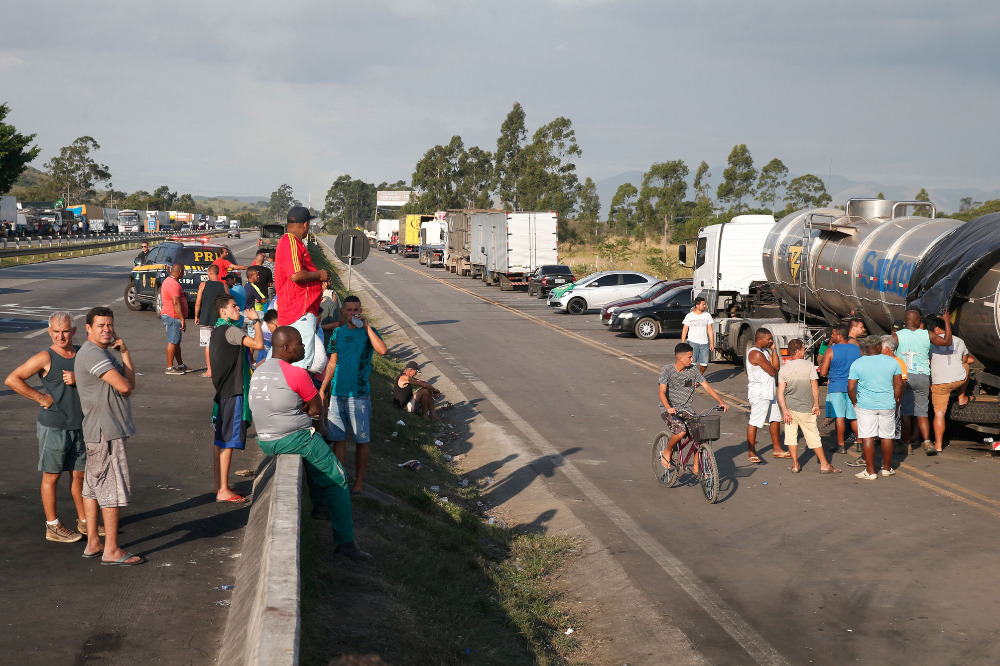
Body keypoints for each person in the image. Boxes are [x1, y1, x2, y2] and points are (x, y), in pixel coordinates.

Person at [248, 326, 371, 561]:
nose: (303, 348)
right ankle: (345, 544)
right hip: (293, 437)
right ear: (286, 348)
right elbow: (315, 409)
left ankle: (322, 507)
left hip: (265, 440)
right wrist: (310, 413)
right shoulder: (297, 374)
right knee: (338, 477)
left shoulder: (260, 369)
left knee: (317, 462)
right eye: (299, 344)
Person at [5, 312, 93, 543]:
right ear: (49, 332)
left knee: (80, 476)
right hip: (54, 427)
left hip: (81, 426)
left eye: (65, 331)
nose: (60, 336)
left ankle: (85, 521)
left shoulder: (84, 353)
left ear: (73, 331)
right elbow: (13, 379)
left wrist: (79, 378)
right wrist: (41, 398)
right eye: (55, 331)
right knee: (51, 476)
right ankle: (52, 526)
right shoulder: (45, 357)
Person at [75, 307, 144, 565]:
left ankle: (94, 542)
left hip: (98, 430)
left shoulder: (102, 352)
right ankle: (111, 549)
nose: (107, 330)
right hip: (106, 431)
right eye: (101, 325)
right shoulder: (93, 353)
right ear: (88, 328)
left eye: (109, 325)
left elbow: (130, 382)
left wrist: (124, 352)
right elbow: (125, 387)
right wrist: (124, 380)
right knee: (111, 490)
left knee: (93, 489)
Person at [320, 295, 388, 495]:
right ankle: (340, 481)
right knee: (338, 440)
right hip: (338, 394)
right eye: (349, 310)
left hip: (358, 396)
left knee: (361, 441)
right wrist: (324, 389)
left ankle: (358, 483)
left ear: (361, 310)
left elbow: (383, 350)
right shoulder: (337, 333)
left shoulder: (369, 332)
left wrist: (366, 327)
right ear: (343, 313)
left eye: (356, 309)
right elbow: (332, 362)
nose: (353, 313)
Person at [209, 294, 265, 503]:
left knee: (220, 439)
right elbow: (258, 344)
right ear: (223, 311)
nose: (238, 309)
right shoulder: (231, 331)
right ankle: (223, 490)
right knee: (228, 441)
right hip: (233, 391)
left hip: (222, 392)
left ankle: (219, 484)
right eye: (234, 306)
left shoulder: (217, 330)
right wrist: (256, 321)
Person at [657, 342, 729, 472]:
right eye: (690, 357)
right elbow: (662, 392)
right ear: (681, 358)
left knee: (701, 434)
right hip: (669, 409)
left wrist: (721, 401)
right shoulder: (667, 370)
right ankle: (667, 451)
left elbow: (706, 386)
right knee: (681, 431)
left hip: (687, 410)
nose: (692, 359)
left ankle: (696, 465)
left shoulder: (693, 370)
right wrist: (668, 407)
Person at [275, 206, 328, 370]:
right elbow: (296, 275)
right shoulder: (290, 241)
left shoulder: (291, 242)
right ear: (305, 225)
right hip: (299, 312)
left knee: (292, 363)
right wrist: (319, 275)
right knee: (301, 363)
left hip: (297, 311)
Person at [777, 339, 840, 474]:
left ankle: (795, 464)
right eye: (803, 348)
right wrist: (816, 404)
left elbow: (780, 392)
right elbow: (815, 387)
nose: (805, 351)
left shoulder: (784, 369)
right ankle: (824, 464)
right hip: (806, 407)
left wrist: (785, 411)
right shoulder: (808, 365)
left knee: (791, 436)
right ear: (798, 351)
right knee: (813, 436)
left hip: (790, 407)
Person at [894, 308, 952, 455]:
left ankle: (906, 444)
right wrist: (946, 321)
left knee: (906, 413)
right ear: (917, 321)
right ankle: (927, 442)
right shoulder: (927, 334)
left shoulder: (896, 336)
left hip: (905, 377)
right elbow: (947, 341)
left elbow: (886, 351)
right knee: (922, 412)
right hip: (923, 377)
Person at [848, 335, 904, 480]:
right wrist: (896, 402)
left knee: (867, 436)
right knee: (887, 436)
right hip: (887, 404)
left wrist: (854, 401)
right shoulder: (892, 362)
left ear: (866, 348)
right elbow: (899, 385)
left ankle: (870, 471)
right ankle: (886, 468)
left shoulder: (857, 363)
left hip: (865, 405)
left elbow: (851, 387)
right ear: (879, 346)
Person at [929, 317, 975, 454]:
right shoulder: (959, 341)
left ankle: (938, 445)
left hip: (939, 383)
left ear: (937, 329)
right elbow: (966, 360)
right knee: (965, 365)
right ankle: (962, 397)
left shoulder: (930, 342)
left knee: (939, 414)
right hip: (957, 380)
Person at [745, 328, 789, 463]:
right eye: (769, 339)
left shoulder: (764, 351)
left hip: (769, 391)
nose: (771, 341)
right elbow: (772, 371)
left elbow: (777, 366)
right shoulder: (755, 354)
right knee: (755, 422)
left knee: (775, 419)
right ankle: (751, 452)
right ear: (760, 339)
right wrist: (774, 367)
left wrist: (774, 350)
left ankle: (777, 449)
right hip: (759, 393)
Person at [819, 325, 861, 455]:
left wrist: (832, 373)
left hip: (836, 387)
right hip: (853, 387)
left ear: (839, 335)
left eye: (833, 334)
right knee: (854, 417)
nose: (831, 336)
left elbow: (823, 372)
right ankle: (860, 443)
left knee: (839, 417)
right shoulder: (856, 349)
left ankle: (841, 446)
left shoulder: (831, 351)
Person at [194, 264, 229, 378]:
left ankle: (209, 370)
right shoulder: (224, 286)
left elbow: (198, 302)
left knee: (208, 344)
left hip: (206, 318)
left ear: (210, 272)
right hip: (220, 320)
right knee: (220, 344)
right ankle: (220, 370)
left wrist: (196, 316)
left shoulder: (203, 285)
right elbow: (228, 303)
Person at [161, 263, 189, 374]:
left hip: (172, 315)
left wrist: (183, 295)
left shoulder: (170, 281)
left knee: (176, 341)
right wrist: (182, 319)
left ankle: (181, 365)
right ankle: (169, 367)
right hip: (172, 315)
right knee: (172, 341)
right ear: (180, 272)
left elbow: (176, 297)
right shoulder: (173, 284)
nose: (184, 274)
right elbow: (175, 303)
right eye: (183, 272)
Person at [680, 296, 714, 375]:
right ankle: (693, 378)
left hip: (704, 343)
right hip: (692, 342)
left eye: (705, 304)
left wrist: (712, 343)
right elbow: (685, 329)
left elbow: (710, 330)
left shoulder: (707, 315)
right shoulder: (689, 316)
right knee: (692, 363)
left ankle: (700, 375)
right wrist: (682, 342)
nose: (705, 306)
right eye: (703, 305)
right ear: (697, 305)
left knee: (705, 364)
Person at [319, 279, 342, 349]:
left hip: (327, 345)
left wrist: (320, 327)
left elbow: (336, 324)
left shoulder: (331, 297)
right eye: (329, 281)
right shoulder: (307, 304)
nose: (331, 282)